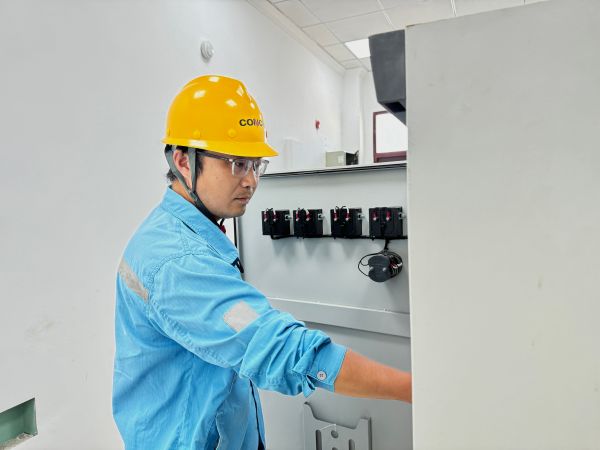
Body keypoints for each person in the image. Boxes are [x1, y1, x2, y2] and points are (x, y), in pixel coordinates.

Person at [112, 75, 412, 450]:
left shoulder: (192, 233)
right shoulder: (177, 260)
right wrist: (413, 388)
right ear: (183, 162)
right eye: (237, 164)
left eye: (256, 165)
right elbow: (280, 348)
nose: (251, 181)